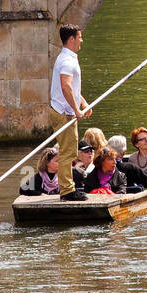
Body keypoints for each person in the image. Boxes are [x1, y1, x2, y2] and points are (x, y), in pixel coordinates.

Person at [50, 25, 91, 201]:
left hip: (66, 110)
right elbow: (65, 86)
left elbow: (71, 88)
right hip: (64, 113)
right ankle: (67, 191)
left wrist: (83, 103)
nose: (82, 40)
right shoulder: (67, 60)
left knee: (70, 151)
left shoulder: (69, 58)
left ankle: (68, 188)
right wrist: (76, 110)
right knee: (68, 153)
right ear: (72, 39)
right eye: (80, 37)